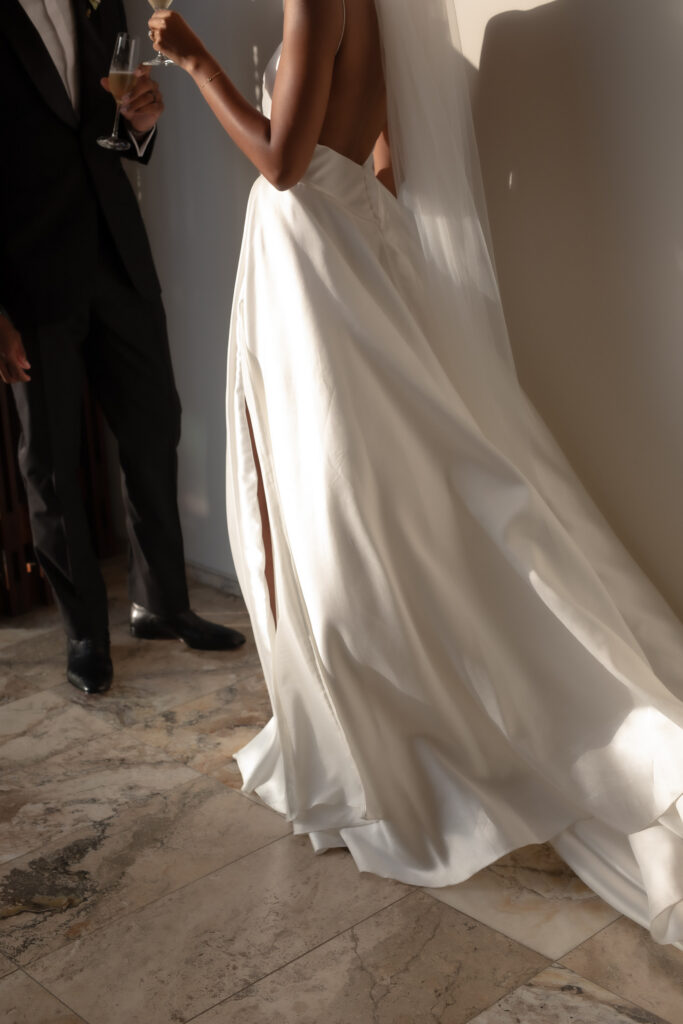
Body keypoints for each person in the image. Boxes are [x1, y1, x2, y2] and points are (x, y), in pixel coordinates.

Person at [149, 0, 683, 946]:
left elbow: (281, 162)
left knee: (341, 512)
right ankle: (396, 699)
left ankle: (394, 728)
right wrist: (368, 250)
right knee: (381, 502)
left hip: (313, 263)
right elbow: (385, 162)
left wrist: (195, 65)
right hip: (345, 253)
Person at [0, 0, 245, 696]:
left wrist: (138, 128)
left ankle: (161, 604)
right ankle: (84, 635)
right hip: (30, 280)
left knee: (155, 426)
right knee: (49, 462)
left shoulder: (100, 3)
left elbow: (103, 136)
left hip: (118, 256)